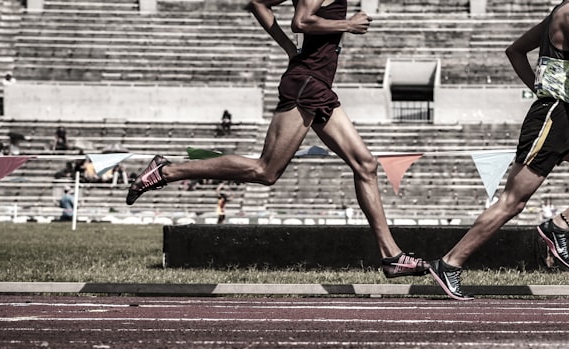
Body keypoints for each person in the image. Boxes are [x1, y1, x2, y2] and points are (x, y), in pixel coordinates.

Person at [125, 0, 428, 279]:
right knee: (265, 170)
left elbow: (258, 2)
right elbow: (302, 21)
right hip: (306, 85)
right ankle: (166, 171)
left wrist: (289, 49)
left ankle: (392, 256)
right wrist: (346, 25)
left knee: (366, 165)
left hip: (316, 85)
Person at [427, 0, 569, 300]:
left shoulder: (559, 14)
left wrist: (540, 88)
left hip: (566, 120)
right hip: (551, 118)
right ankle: (449, 263)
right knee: (512, 202)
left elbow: (515, 51)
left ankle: (557, 226)